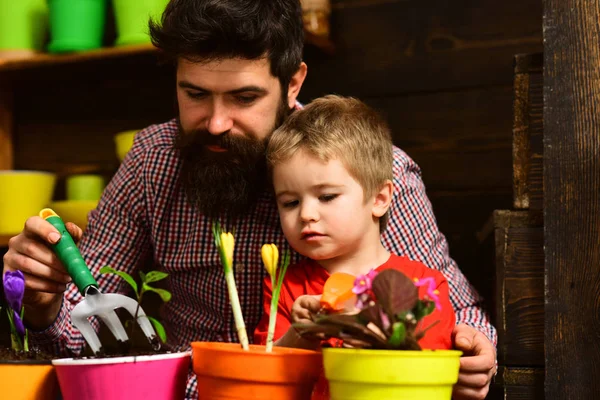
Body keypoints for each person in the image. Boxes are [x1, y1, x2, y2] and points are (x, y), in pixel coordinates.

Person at [2, 0, 497, 399]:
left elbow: (463, 314)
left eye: (243, 98)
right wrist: (45, 303)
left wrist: (474, 352)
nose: (216, 123)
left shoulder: (367, 170)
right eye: (194, 94)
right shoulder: (153, 163)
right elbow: (89, 322)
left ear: (293, 83)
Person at [254, 95, 457, 398]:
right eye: (290, 202)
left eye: (327, 196)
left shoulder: (424, 286)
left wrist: (382, 337)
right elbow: (266, 374)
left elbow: (432, 376)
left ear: (379, 199)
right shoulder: (286, 287)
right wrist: (302, 333)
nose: (306, 213)